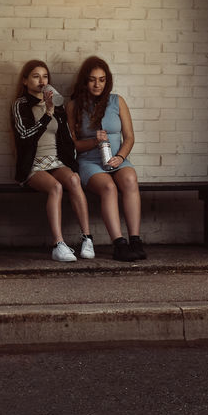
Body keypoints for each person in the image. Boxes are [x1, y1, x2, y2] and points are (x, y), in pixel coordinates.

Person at [11, 60, 95, 261]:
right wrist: (47, 113)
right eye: (35, 76)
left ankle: (87, 239)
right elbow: (25, 136)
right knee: (55, 187)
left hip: (55, 161)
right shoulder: (20, 105)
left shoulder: (57, 105)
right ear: (25, 80)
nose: (41, 81)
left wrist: (71, 164)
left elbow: (66, 138)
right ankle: (58, 245)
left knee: (74, 179)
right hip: (33, 164)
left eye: (45, 76)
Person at [67, 55, 145, 261]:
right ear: (85, 80)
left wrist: (120, 157)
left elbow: (129, 137)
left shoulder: (117, 101)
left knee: (129, 179)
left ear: (107, 80)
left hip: (117, 159)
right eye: (92, 79)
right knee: (108, 187)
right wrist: (93, 141)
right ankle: (119, 244)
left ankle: (135, 240)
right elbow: (71, 143)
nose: (97, 84)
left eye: (102, 79)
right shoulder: (74, 105)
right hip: (90, 161)